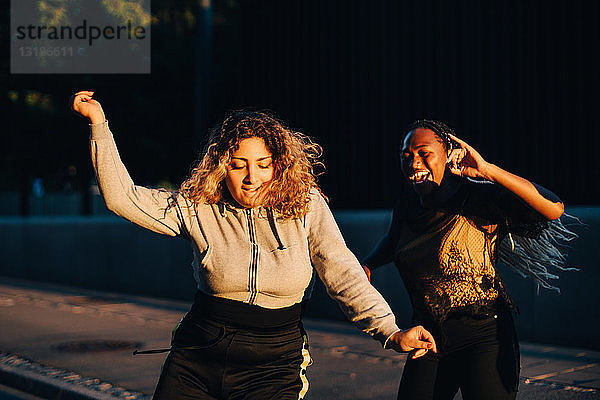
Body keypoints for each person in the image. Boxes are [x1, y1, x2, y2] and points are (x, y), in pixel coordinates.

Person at [71, 91, 437, 400]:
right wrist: (98, 125)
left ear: (278, 165)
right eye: (238, 165)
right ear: (220, 167)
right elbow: (123, 198)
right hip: (198, 356)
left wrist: (390, 331)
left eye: (263, 164)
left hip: (273, 364)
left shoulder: (304, 205)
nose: (251, 178)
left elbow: (344, 273)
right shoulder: (200, 207)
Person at [362, 120, 572, 400]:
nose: (414, 163)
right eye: (406, 155)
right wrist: (367, 264)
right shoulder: (408, 205)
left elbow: (554, 208)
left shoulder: (476, 197)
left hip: (485, 337)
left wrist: (487, 170)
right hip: (430, 338)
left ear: (448, 154)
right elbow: (394, 241)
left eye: (424, 153)